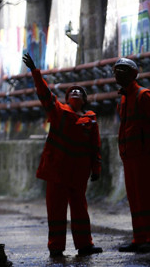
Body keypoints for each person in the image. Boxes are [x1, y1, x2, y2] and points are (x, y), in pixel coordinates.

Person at [22, 52, 103, 257]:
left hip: (77, 174)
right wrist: (35, 72)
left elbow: (95, 146)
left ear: (84, 100)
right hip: (57, 172)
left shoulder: (90, 120)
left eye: (79, 91)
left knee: (80, 210)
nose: (75, 91)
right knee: (56, 212)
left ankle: (85, 245)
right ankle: (56, 247)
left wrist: (96, 168)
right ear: (67, 98)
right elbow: (45, 94)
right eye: (72, 90)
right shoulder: (58, 112)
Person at [113, 57, 150, 253]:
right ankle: (140, 238)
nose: (118, 74)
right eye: (116, 70)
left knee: (146, 197)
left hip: (143, 156)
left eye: (122, 70)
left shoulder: (144, 96)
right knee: (135, 198)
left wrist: (149, 148)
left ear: (132, 74)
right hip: (130, 157)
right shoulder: (125, 99)